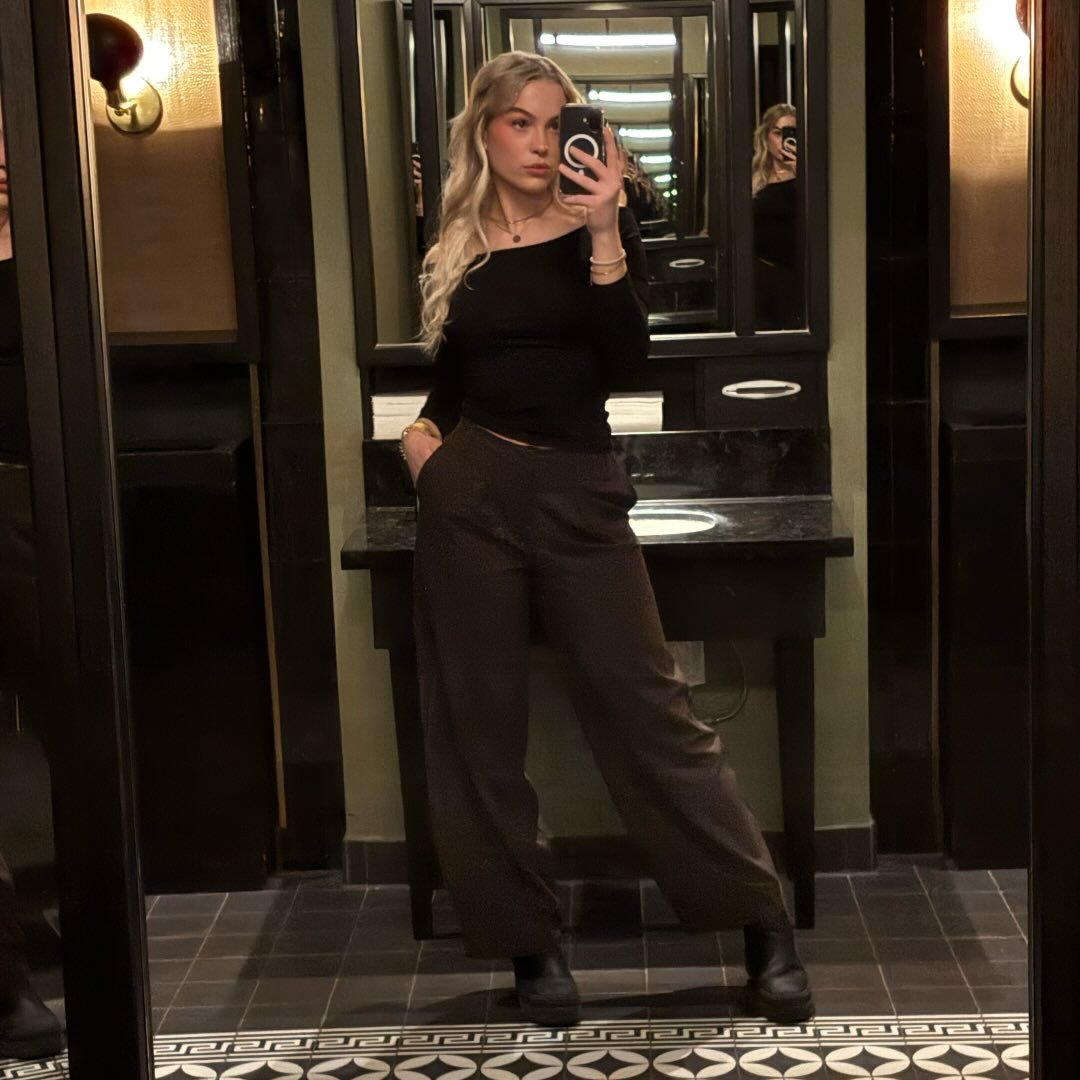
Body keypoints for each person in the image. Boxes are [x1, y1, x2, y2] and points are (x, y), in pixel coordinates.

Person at [398, 51, 813, 1028]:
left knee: (653, 715)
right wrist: (424, 446)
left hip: (580, 489)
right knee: (478, 729)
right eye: (522, 123)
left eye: (559, 124)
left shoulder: (596, 228)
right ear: (485, 131)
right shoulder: (458, 238)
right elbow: (457, 380)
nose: (543, 144)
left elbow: (627, 364)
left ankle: (762, 924)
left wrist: (605, 232)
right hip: (471, 495)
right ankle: (530, 944)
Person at [0, 97, 66, 1063]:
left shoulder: (57, 247)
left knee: (72, 717)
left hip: (44, 501)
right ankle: (4, 978)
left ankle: (52, 905)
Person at [751, 103, 803, 330]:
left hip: (796, 274)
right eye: (777, 133)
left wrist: (801, 173)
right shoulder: (754, 178)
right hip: (760, 274)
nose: (783, 140)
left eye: (791, 133)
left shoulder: (808, 175)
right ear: (766, 136)